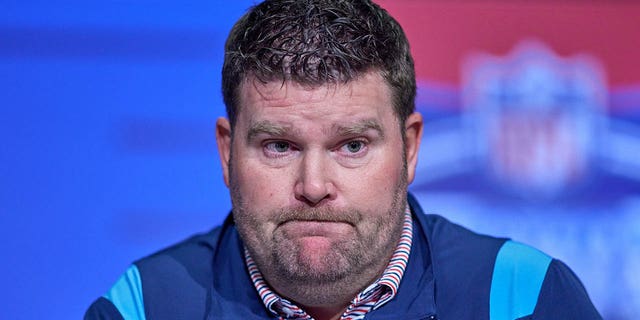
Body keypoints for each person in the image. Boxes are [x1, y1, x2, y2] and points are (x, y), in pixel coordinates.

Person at [85, 0, 602, 319]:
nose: (313, 186)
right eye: (278, 146)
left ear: (411, 147)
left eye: (352, 145)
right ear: (226, 152)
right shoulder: (146, 307)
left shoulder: (522, 298)